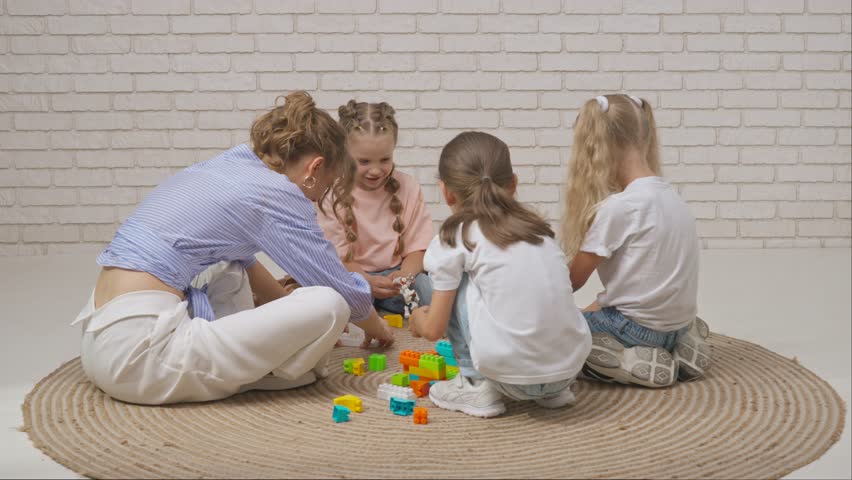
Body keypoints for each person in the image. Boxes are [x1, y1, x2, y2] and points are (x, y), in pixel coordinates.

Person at [71, 91, 394, 405]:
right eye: (327, 183)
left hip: (100, 342)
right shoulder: (276, 193)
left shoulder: (226, 168)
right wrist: (378, 329)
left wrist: (297, 322)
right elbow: (339, 289)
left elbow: (244, 261)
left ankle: (254, 366)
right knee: (329, 303)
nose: (319, 195)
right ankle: (272, 372)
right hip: (141, 362)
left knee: (234, 269)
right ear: (315, 168)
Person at [409, 131, 592, 418]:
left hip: (510, 379)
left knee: (440, 279)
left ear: (446, 192)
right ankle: (553, 391)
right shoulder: (540, 232)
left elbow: (433, 329)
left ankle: (474, 383)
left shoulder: (455, 236)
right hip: (568, 371)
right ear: (514, 184)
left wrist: (418, 318)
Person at [562, 94, 711, 388]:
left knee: (552, 333)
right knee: (592, 312)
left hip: (633, 329)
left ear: (598, 147)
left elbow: (571, 282)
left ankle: (623, 360)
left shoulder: (619, 207)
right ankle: (679, 344)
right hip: (676, 324)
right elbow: (635, 290)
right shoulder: (673, 198)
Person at [317, 100, 434, 315]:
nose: (375, 170)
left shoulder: (408, 187)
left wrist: (404, 276)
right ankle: (365, 312)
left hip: (397, 277)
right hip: (353, 276)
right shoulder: (330, 195)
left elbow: (418, 248)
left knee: (430, 289)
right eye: (364, 161)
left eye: (385, 159)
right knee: (331, 297)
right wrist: (368, 281)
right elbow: (336, 259)